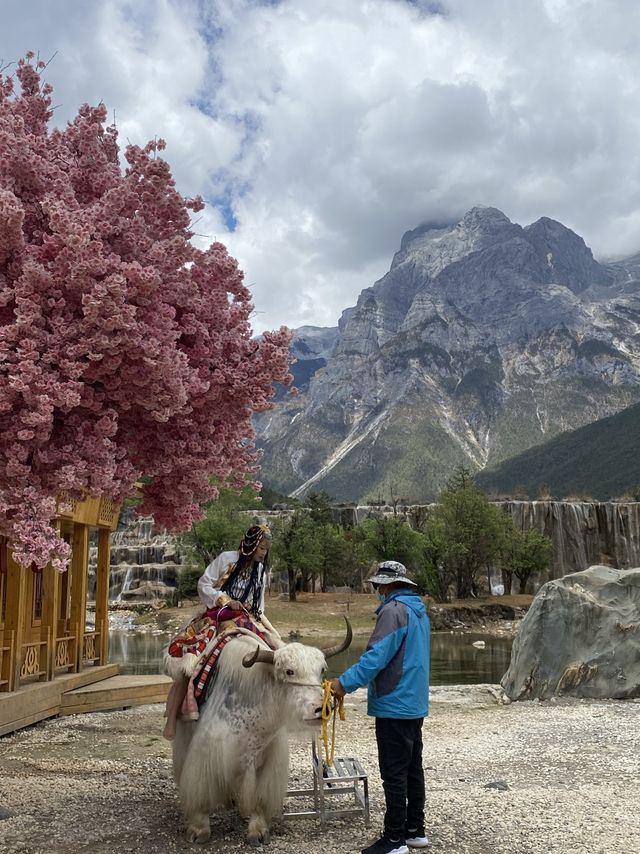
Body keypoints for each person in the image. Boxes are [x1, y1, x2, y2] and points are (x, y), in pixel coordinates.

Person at [330, 561, 430, 854]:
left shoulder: (392, 612)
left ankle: (395, 839)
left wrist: (342, 684)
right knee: (412, 769)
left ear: (386, 585)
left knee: (394, 773)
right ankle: (415, 830)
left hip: (394, 704)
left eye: (377, 587)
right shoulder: (418, 611)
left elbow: (376, 658)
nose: (377, 592)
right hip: (414, 703)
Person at [162, 524, 278, 740]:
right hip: (218, 616)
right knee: (192, 660)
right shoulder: (227, 559)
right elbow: (204, 584)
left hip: (246, 618)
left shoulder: (260, 570)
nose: (264, 553)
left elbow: (258, 602)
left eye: (266, 549)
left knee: (275, 653)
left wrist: (260, 620)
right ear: (251, 545)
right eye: (261, 548)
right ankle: (172, 720)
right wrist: (224, 600)